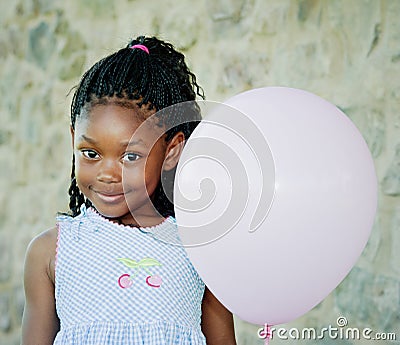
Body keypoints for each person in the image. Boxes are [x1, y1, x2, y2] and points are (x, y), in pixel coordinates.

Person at [21, 36, 236, 345]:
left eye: (131, 156)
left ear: (171, 150)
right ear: (73, 140)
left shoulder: (199, 250)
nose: (108, 174)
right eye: (90, 153)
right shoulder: (50, 253)